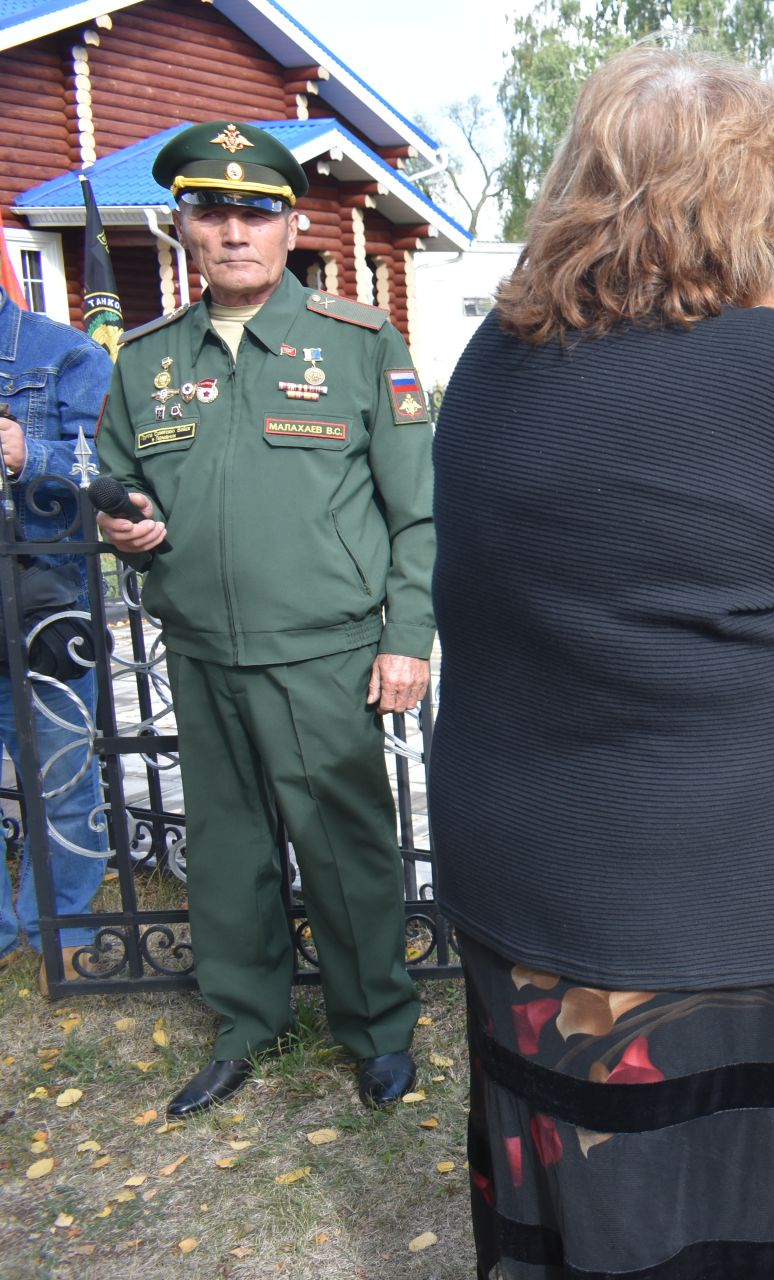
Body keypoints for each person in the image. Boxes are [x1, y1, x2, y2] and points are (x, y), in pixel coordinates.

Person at [428, 46, 774, 1280]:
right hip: (722, 933)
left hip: (534, 906)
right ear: (743, 221)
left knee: (585, 1226)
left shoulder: (495, 359)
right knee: (734, 1233)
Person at [93, 122, 435, 1117]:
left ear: (290, 227)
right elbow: (126, 487)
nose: (234, 230)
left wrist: (406, 636)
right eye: (212, 211)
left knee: (345, 848)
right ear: (182, 229)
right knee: (230, 852)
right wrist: (129, 530)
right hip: (200, 650)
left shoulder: (358, 345)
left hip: (325, 656)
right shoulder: (148, 362)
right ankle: (248, 1022)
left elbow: (415, 511)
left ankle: (377, 1028)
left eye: (257, 211)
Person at [0, 284, 112, 991]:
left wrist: (25, 451)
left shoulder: (64, 353)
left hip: (38, 610)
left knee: (65, 778)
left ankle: (63, 929)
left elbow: (109, 469)